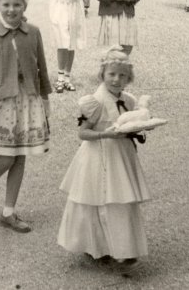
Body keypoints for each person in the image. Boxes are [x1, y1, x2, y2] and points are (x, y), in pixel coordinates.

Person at [58, 46, 151, 276]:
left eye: (122, 75)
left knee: (120, 199)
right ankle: (96, 245)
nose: (116, 80)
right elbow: (83, 133)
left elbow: (132, 123)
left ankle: (122, 247)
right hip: (97, 155)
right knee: (97, 201)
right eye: (111, 74)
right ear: (102, 75)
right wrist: (105, 134)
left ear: (129, 77)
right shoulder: (95, 101)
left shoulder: (128, 100)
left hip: (120, 155)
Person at [0, 0, 51, 233]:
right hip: (1, 104)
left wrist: (45, 98)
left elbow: (42, 68)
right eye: (6, 5)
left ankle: (9, 212)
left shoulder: (34, 33)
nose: (11, 9)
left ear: (24, 6)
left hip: (28, 100)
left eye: (17, 4)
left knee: (20, 156)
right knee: (7, 155)